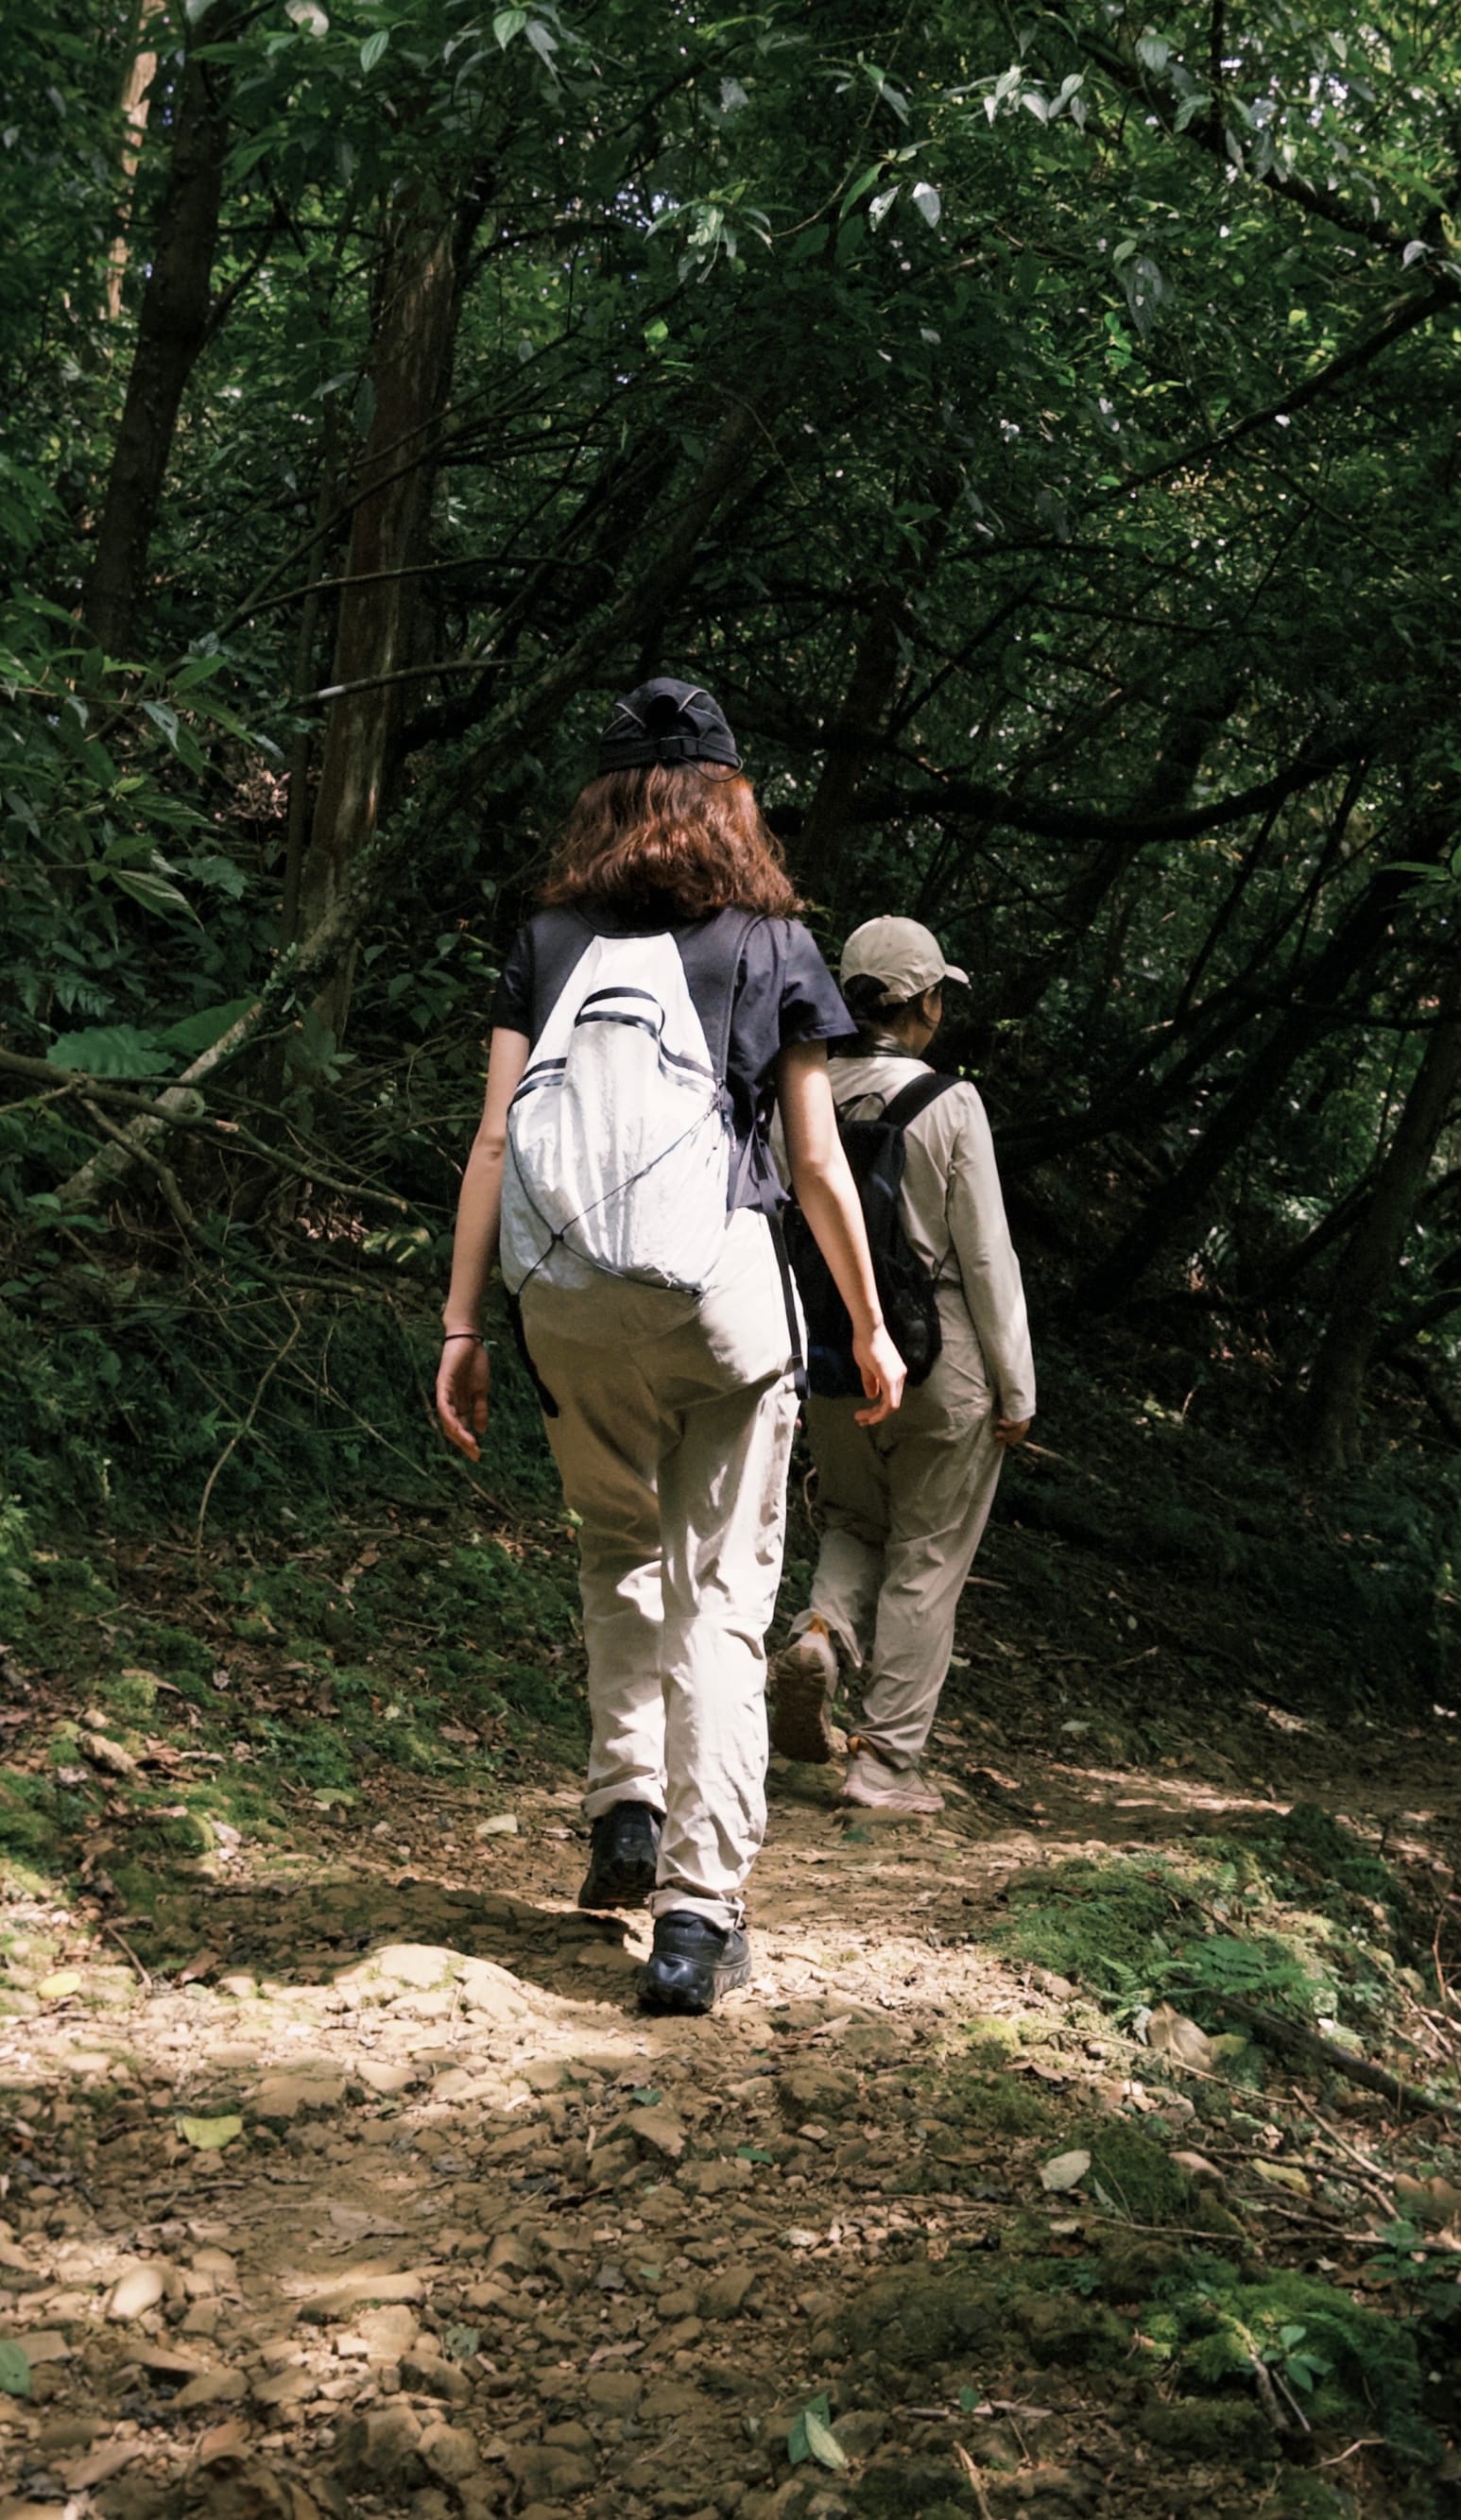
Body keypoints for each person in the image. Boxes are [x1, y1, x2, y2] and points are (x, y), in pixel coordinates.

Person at [433, 680, 904, 2014]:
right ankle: (698, 1914)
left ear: (603, 802)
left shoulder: (547, 939)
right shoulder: (770, 943)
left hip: (564, 1301)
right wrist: (870, 1325)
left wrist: (463, 1323)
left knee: (614, 1551)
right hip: (717, 1306)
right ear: (729, 800)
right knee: (721, 1593)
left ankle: (624, 1808)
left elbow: (493, 1140)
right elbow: (815, 1162)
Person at [770, 917, 1034, 1813]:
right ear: (927, 1002)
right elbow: (987, 1256)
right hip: (940, 1362)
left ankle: (820, 1636)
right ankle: (884, 1763)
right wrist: (1016, 1387)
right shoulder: (949, 1104)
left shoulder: (798, 1096)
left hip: (835, 1352)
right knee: (927, 1554)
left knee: (853, 1519)